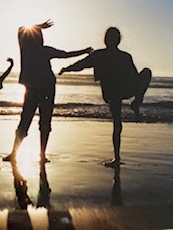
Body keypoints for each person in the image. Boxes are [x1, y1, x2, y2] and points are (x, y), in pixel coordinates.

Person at [59, 27, 152, 167]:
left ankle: (117, 157)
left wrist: (67, 68)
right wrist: (68, 68)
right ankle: (136, 103)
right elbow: (82, 65)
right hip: (116, 91)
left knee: (117, 124)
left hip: (116, 90)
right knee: (117, 124)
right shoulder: (107, 55)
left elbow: (82, 65)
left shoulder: (115, 56)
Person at [3, 20, 93, 164]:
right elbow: (66, 54)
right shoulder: (36, 49)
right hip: (42, 88)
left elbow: (65, 54)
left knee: (32, 121)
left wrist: (38, 26)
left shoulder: (27, 50)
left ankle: (25, 154)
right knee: (37, 121)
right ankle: (28, 154)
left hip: (40, 88)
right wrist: (84, 51)